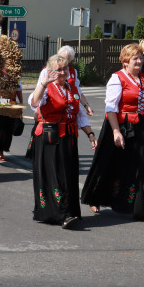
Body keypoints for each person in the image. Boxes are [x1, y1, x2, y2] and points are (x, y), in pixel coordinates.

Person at [81, 43, 144, 221]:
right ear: (125, 62)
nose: (139, 61)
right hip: (121, 126)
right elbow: (111, 109)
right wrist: (116, 132)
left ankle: (141, 209)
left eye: (140, 57)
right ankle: (95, 198)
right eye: (135, 58)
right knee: (109, 163)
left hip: (143, 128)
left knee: (142, 167)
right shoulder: (117, 79)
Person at [29, 54, 97, 228]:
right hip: (50, 139)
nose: (62, 72)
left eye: (65, 68)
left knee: (68, 176)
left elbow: (80, 116)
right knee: (56, 177)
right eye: (58, 69)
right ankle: (63, 214)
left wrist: (90, 135)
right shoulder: (47, 87)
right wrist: (44, 83)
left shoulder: (72, 87)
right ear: (51, 71)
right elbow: (35, 103)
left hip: (69, 138)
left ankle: (69, 212)